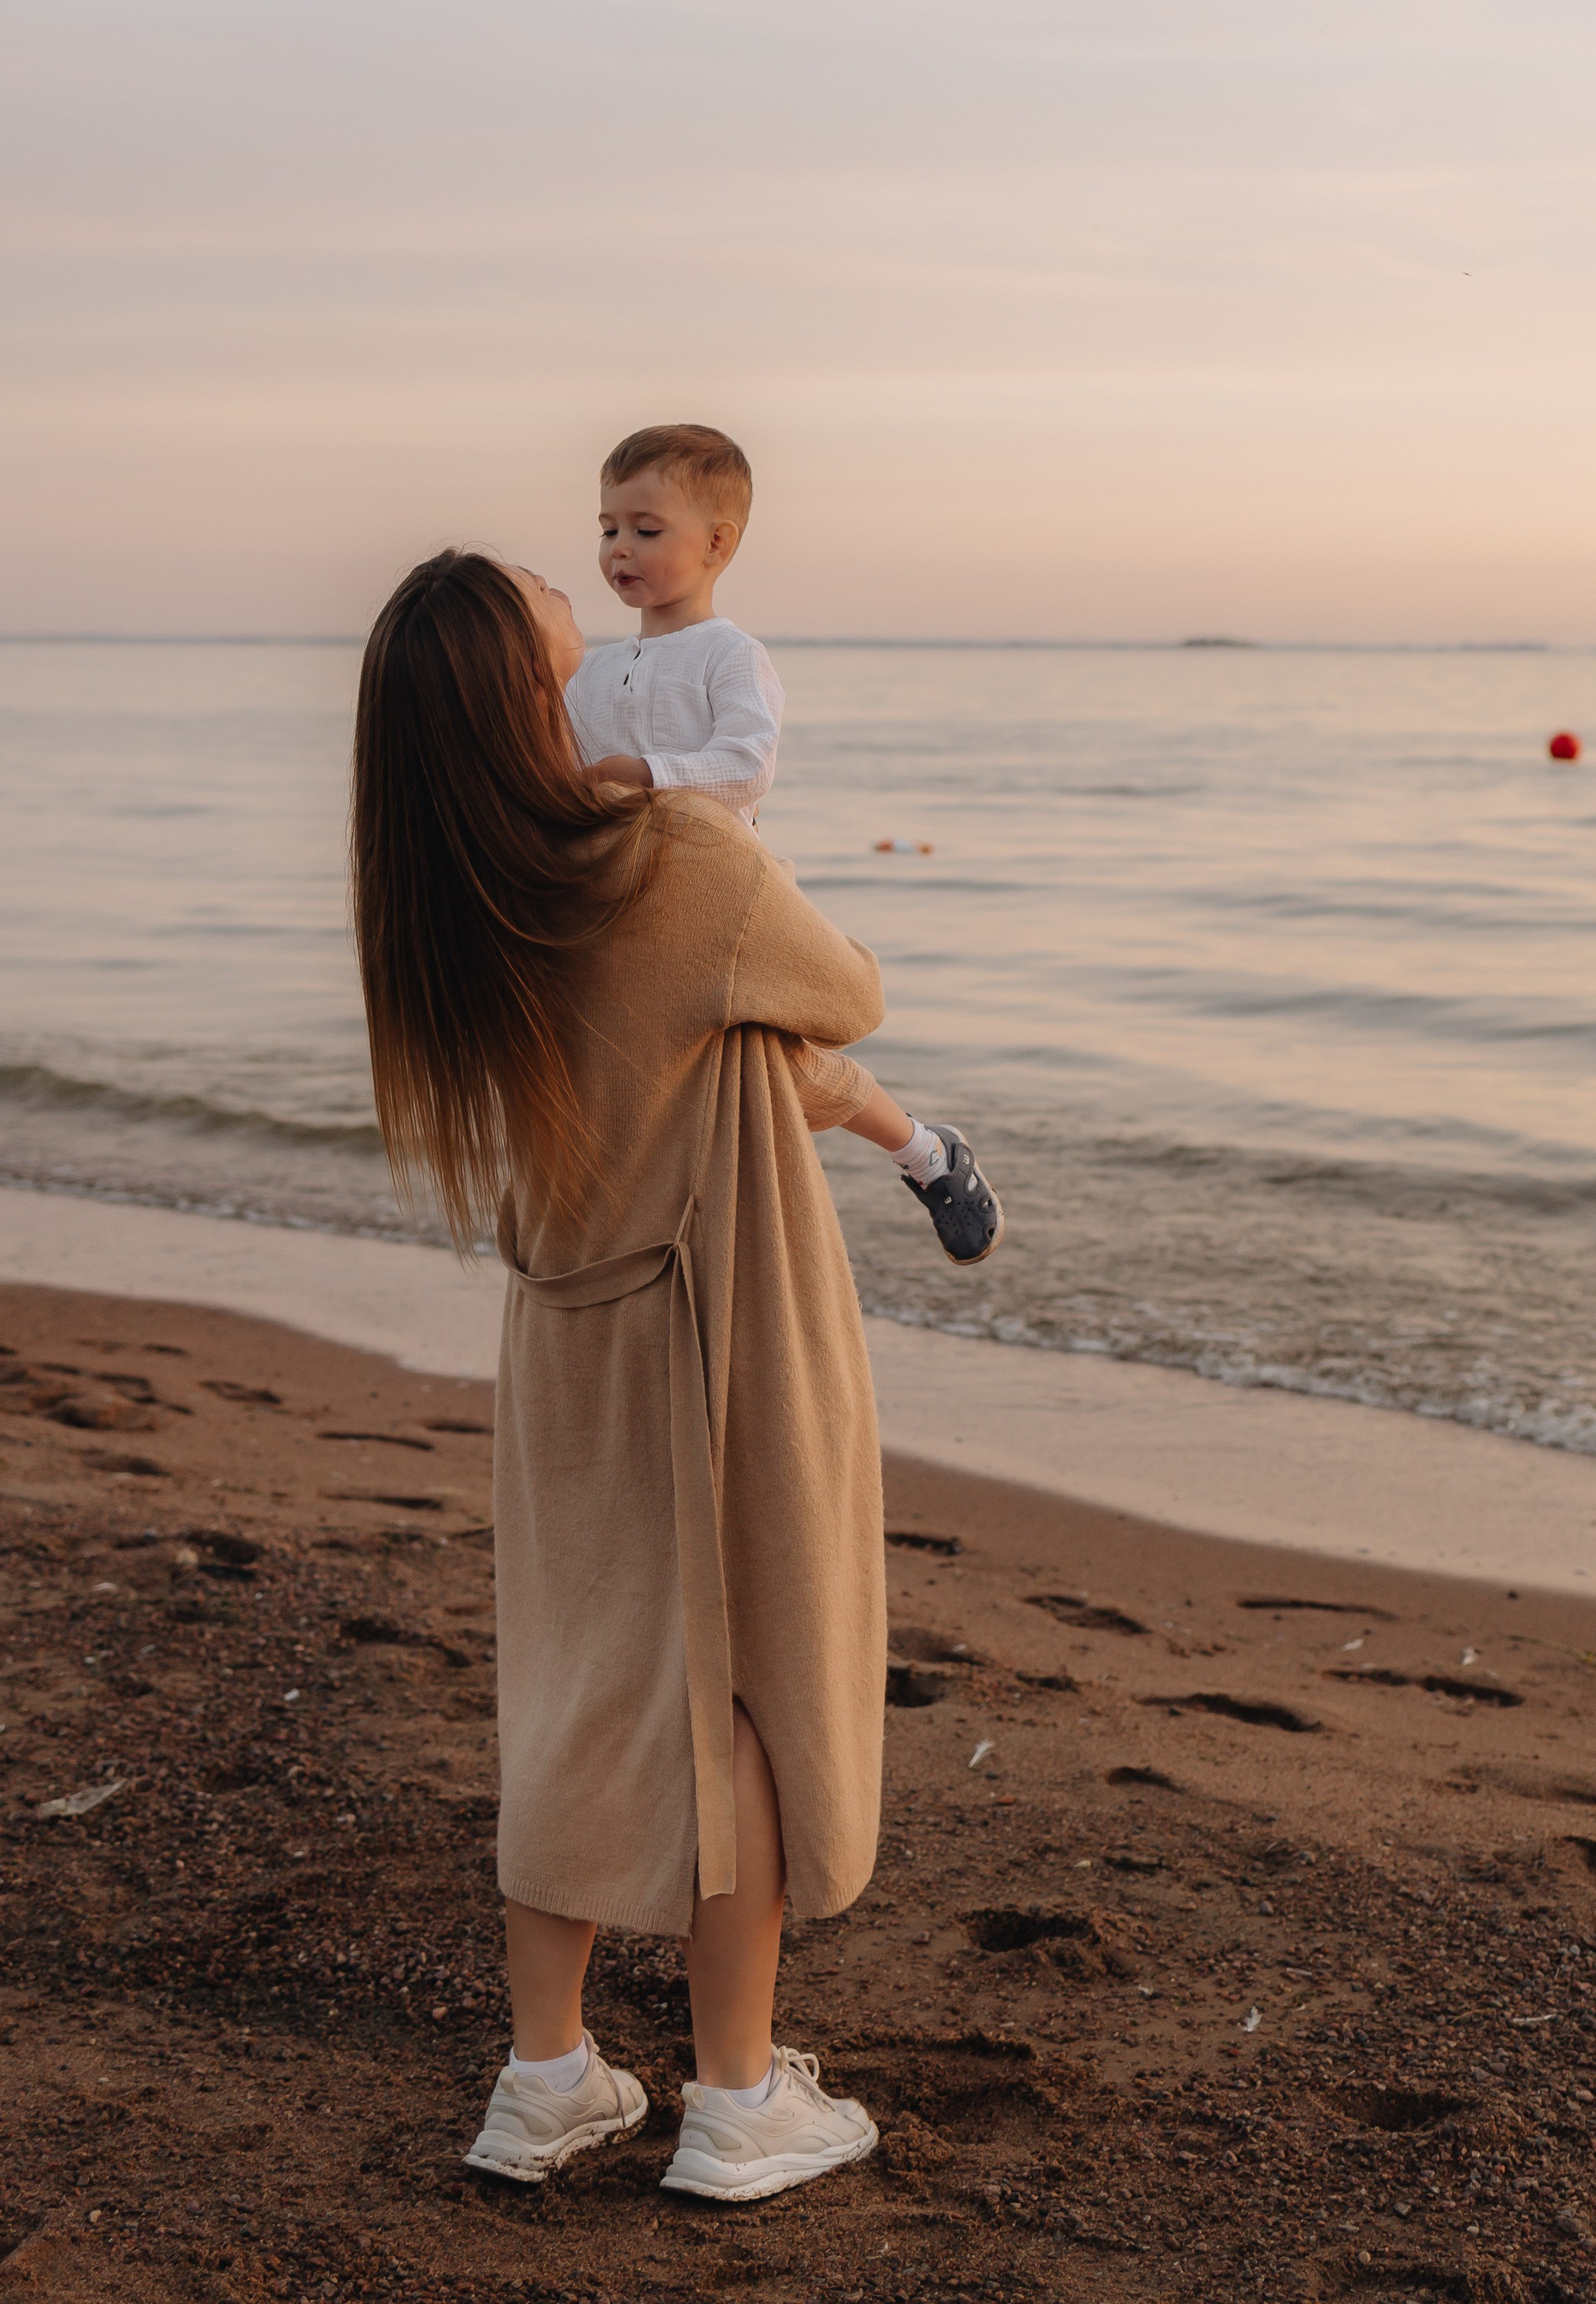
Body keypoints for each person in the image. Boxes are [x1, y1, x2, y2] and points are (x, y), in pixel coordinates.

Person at [350, 545, 900, 2200]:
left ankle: (546, 2079)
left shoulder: (444, 892)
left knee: (579, 1677)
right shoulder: (662, 852)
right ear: (535, 696)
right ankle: (734, 2098)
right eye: (562, 635)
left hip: (563, 1320)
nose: (592, 645)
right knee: (732, 1681)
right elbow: (846, 989)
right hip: (705, 1316)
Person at [565, 417, 1002, 1266]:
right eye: (608, 529)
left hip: (725, 892)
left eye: (646, 530)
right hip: (623, 900)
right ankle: (910, 1155)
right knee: (715, 1072)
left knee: (773, 1063)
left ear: (718, 542)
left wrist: (647, 772)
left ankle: (924, 1152)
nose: (620, 547)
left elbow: (744, 766)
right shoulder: (591, 670)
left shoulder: (730, 654)